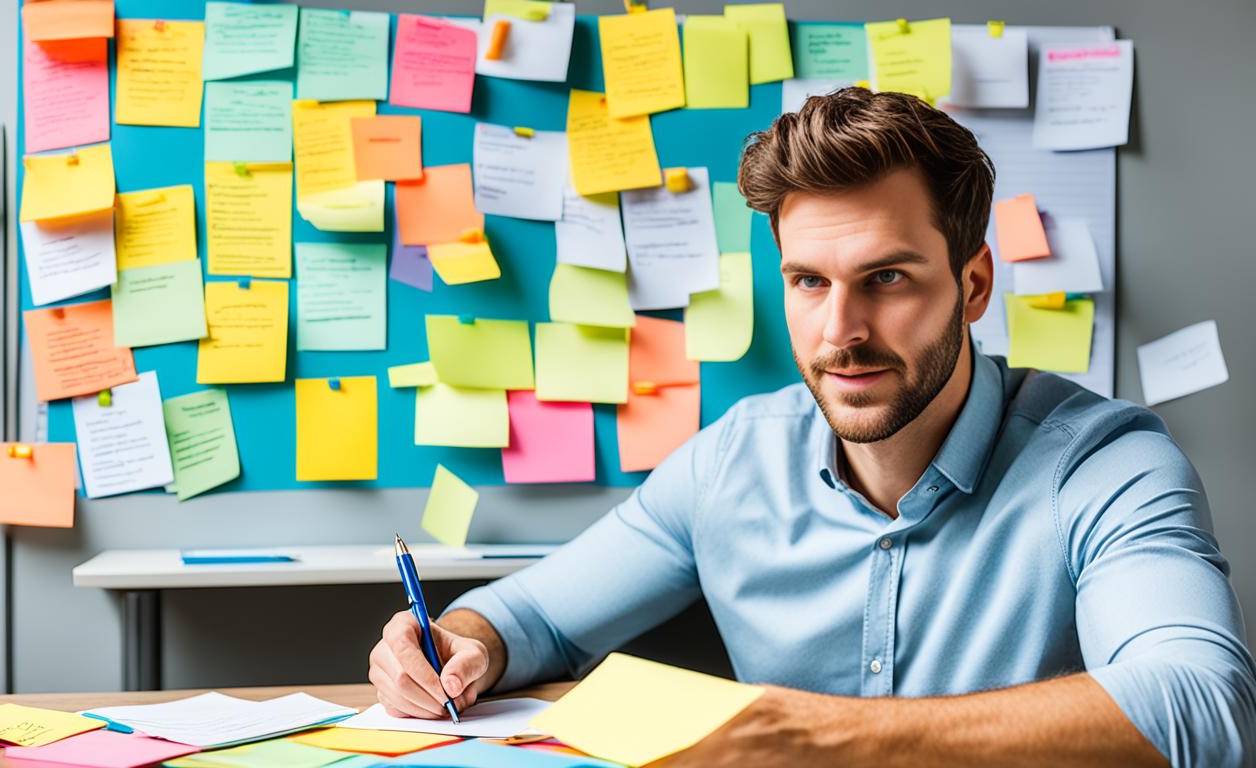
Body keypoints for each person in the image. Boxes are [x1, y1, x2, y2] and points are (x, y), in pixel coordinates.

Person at [367, 88, 1255, 766]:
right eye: (809, 282)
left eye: (889, 279)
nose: (842, 332)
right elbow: (538, 618)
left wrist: (818, 737)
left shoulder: (1104, 463)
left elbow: (1201, 707)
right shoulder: (730, 463)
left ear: (975, 285)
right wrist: (459, 644)